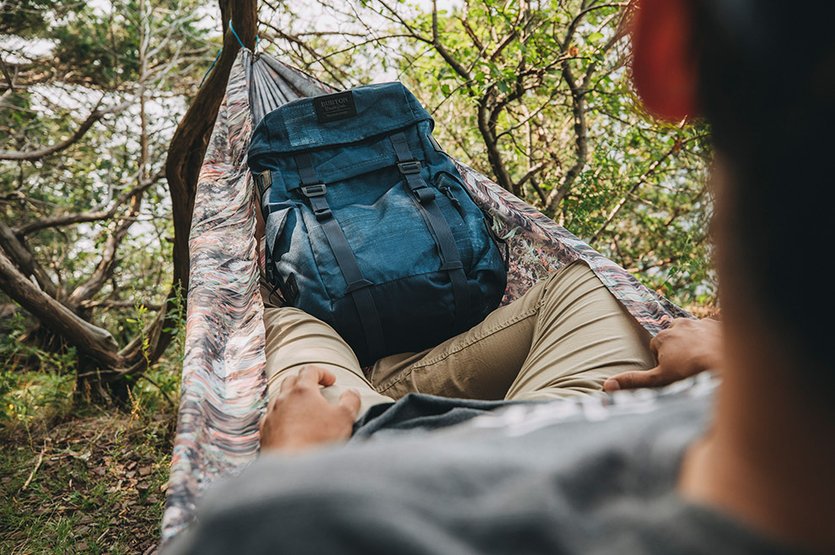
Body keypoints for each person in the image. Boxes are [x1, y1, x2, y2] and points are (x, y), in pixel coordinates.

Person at [166, 0, 835, 553]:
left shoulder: (295, 524)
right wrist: (725, 372)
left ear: (662, 48)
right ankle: (392, 374)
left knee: (284, 317)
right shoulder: (723, 407)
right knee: (586, 282)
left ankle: (370, 385)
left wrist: (295, 470)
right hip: (582, 410)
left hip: (375, 457)